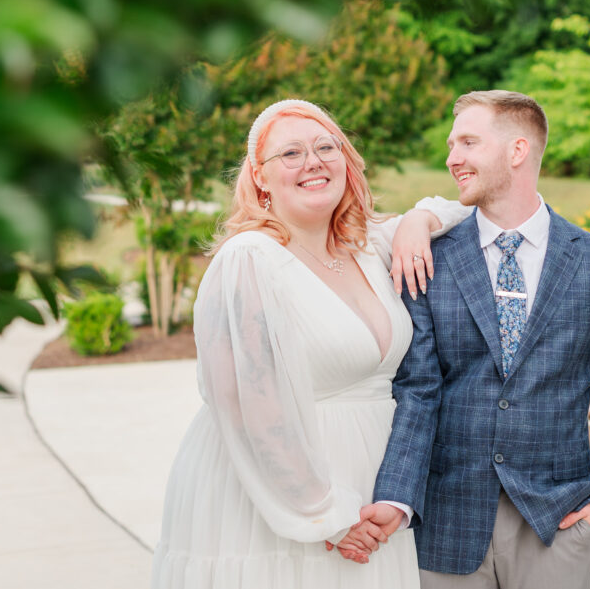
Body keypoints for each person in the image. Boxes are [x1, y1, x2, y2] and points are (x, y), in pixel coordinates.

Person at [151, 99, 470, 589]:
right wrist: (325, 513)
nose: (314, 161)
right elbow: (247, 405)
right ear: (260, 176)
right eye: (291, 153)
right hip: (283, 498)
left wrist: (415, 223)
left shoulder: (367, 248)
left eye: (326, 146)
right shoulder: (249, 259)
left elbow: (453, 209)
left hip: (375, 490)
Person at [361, 90, 590, 588]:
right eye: (452, 145)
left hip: (557, 523)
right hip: (448, 523)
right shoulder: (430, 259)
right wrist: (396, 495)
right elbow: (418, 390)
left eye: (468, 142)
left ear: (517, 150)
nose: (453, 158)